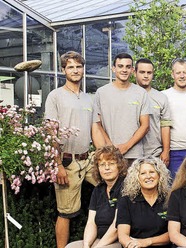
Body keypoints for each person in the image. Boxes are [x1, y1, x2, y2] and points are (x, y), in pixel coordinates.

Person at [46, 51, 103, 248]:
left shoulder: (89, 99)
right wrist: (58, 165)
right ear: (63, 70)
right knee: (66, 212)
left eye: (78, 67)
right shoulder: (55, 96)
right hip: (66, 161)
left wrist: (104, 158)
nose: (75, 70)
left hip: (88, 160)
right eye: (70, 67)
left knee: (111, 190)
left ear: (83, 69)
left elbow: (95, 129)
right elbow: (50, 132)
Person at [93, 53, 150, 164]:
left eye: (128, 67)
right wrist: (110, 146)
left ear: (132, 70)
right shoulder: (101, 93)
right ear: (113, 69)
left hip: (134, 155)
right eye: (120, 66)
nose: (124, 70)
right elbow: (97, 124)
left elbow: (145, 125)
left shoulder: (141, 93)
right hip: (109, 154)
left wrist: (126, 146)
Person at [66, 146, 127, 248]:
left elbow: (116, 226)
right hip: (99, 240)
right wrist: (86, 245)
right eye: (102, 165)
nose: (106, 168)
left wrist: (98, 247)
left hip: (119, 241)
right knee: (70, 247)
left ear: (119, 166)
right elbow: (91, 223)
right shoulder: (98, 190)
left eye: (111, 164)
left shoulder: (124, 187)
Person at [117, 157, 172, 248]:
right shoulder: (126, 201)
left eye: (152, 172)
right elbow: (123, 236)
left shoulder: (170, 199)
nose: (148, 176)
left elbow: (173, 234)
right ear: (136, 178)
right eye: (143, 173)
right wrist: (132, 245)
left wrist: (146, 242)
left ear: (159, 175)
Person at [136, 58, 172, 166]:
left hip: (154, 153)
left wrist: (166, 151)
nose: (146, 76)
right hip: (132, 153)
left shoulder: (161, 98)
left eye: (149, 72)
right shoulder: (128, 95)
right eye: (142, 72)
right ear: (135, 73)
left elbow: (165, 126)